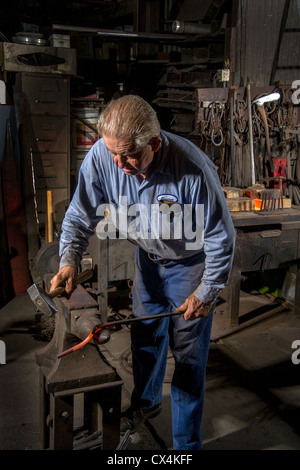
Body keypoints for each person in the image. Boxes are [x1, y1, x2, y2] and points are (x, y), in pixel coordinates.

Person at [50, 94, 236, 450]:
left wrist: (207, 291)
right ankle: (146, 404)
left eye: (130, 155)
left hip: (190, 267)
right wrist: (68, 259)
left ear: (155, 141)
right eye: (113, 154)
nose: (119, 164)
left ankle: (185, 446)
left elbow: (220, 238)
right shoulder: (104, 156)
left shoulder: (193, 169)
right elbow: (79, 214)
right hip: (148, 261)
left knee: (187, 358)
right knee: (145, 338)